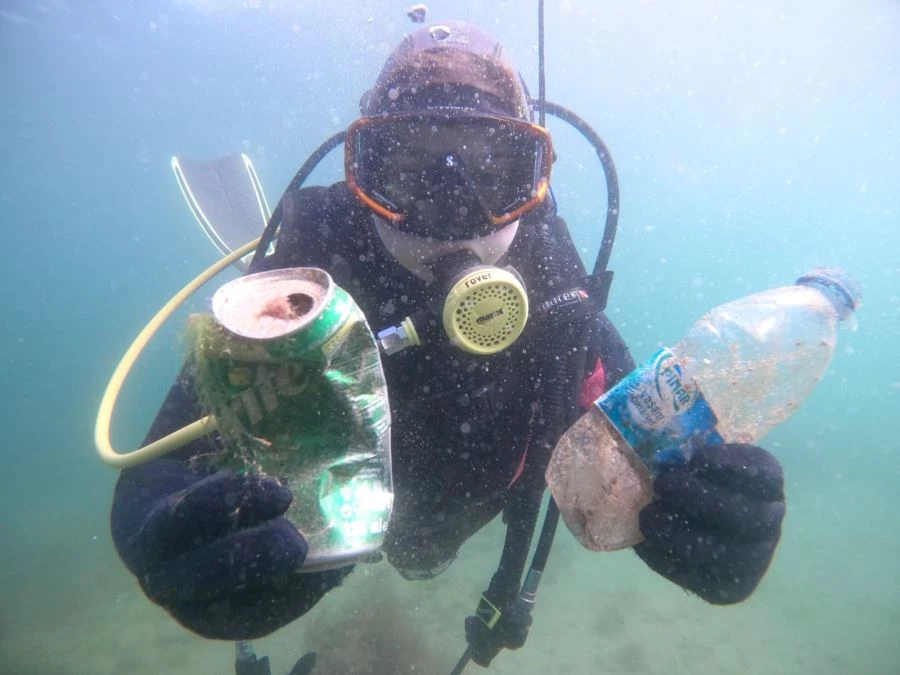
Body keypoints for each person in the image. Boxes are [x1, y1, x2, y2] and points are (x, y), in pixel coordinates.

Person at [110, 21, 786, 666]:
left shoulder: (557, 301)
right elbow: (162, 469)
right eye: (409, 168)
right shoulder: (310, 279)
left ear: (534, 184)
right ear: (359, 176)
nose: (453, 211)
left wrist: (711, 523)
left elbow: (648, 454)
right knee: (264, 322)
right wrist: (159, 533)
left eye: (494, 175)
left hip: (467, 506)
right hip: (338, 519)